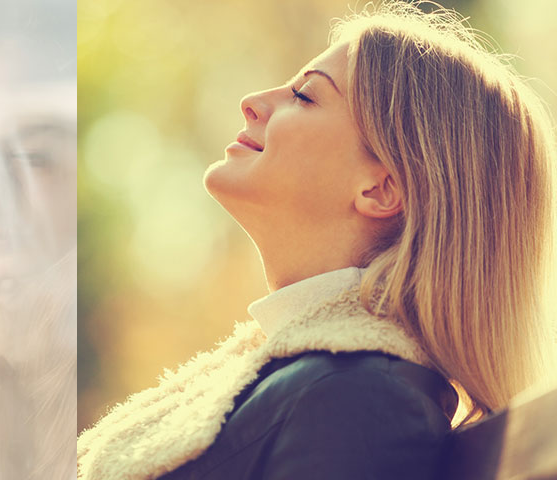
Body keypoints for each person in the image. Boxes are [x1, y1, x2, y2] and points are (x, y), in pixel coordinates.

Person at [77, 2, 556, 479]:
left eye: (304, 96)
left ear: (381, 187)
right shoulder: (318, 383)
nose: (252, 101)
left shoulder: (359, 399)